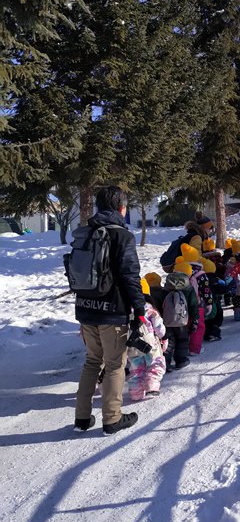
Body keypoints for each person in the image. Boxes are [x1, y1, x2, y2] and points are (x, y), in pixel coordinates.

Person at [73, 185, 143, 435]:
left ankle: (81, 418)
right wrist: (140, 309)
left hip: (85, 307)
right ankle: (112, 419)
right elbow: (130, 276)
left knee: (92, 361)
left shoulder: (85, 232)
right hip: (112, 311)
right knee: (114, 364)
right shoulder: (122, 235)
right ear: (121, 208)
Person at [127, 278, 167, 400]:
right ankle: (152, 384)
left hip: (132, 343)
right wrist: (163, 337)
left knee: (136, 369)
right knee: (155, 363)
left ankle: (135, 393)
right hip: (150, 342)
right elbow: (158, 325)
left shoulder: (124, 309)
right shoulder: (148, 308)